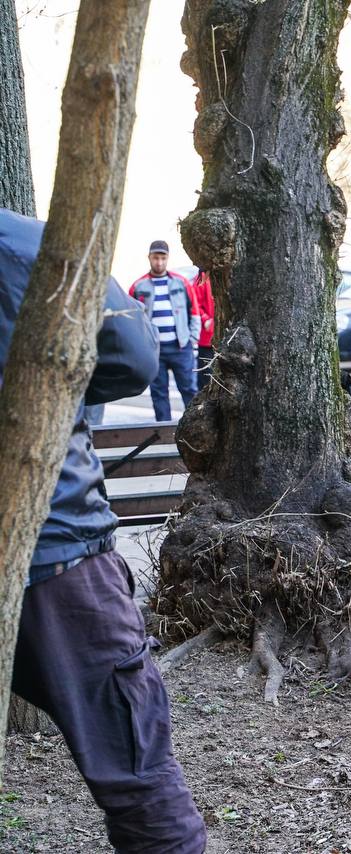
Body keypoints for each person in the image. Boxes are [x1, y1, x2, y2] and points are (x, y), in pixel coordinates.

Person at [0, 209, 206, 852]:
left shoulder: (29, 248)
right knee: (136, 771)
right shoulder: (28, 244)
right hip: (58, 559)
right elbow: (133, 354)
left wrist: (57, 403)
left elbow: (132, 353)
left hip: (52, 539)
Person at [128, 239, 201, 421]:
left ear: (167, 258)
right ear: (149, 258)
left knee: (189, 390)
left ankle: (194, 428)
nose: (159, 262)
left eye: (162, 258)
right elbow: (132, 319)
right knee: (159, 392)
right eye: (155, 258)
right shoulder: (138, 286)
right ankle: (164, 433)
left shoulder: (181, 282)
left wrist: (192, 338)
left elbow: (194, 311)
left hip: (180, 347)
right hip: (155, 350)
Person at [190, 267, 216, 390]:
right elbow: (194, 303)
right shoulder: (201, 279)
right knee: (206, 377)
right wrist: (205, 319)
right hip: (207, 338)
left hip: (220, 336)